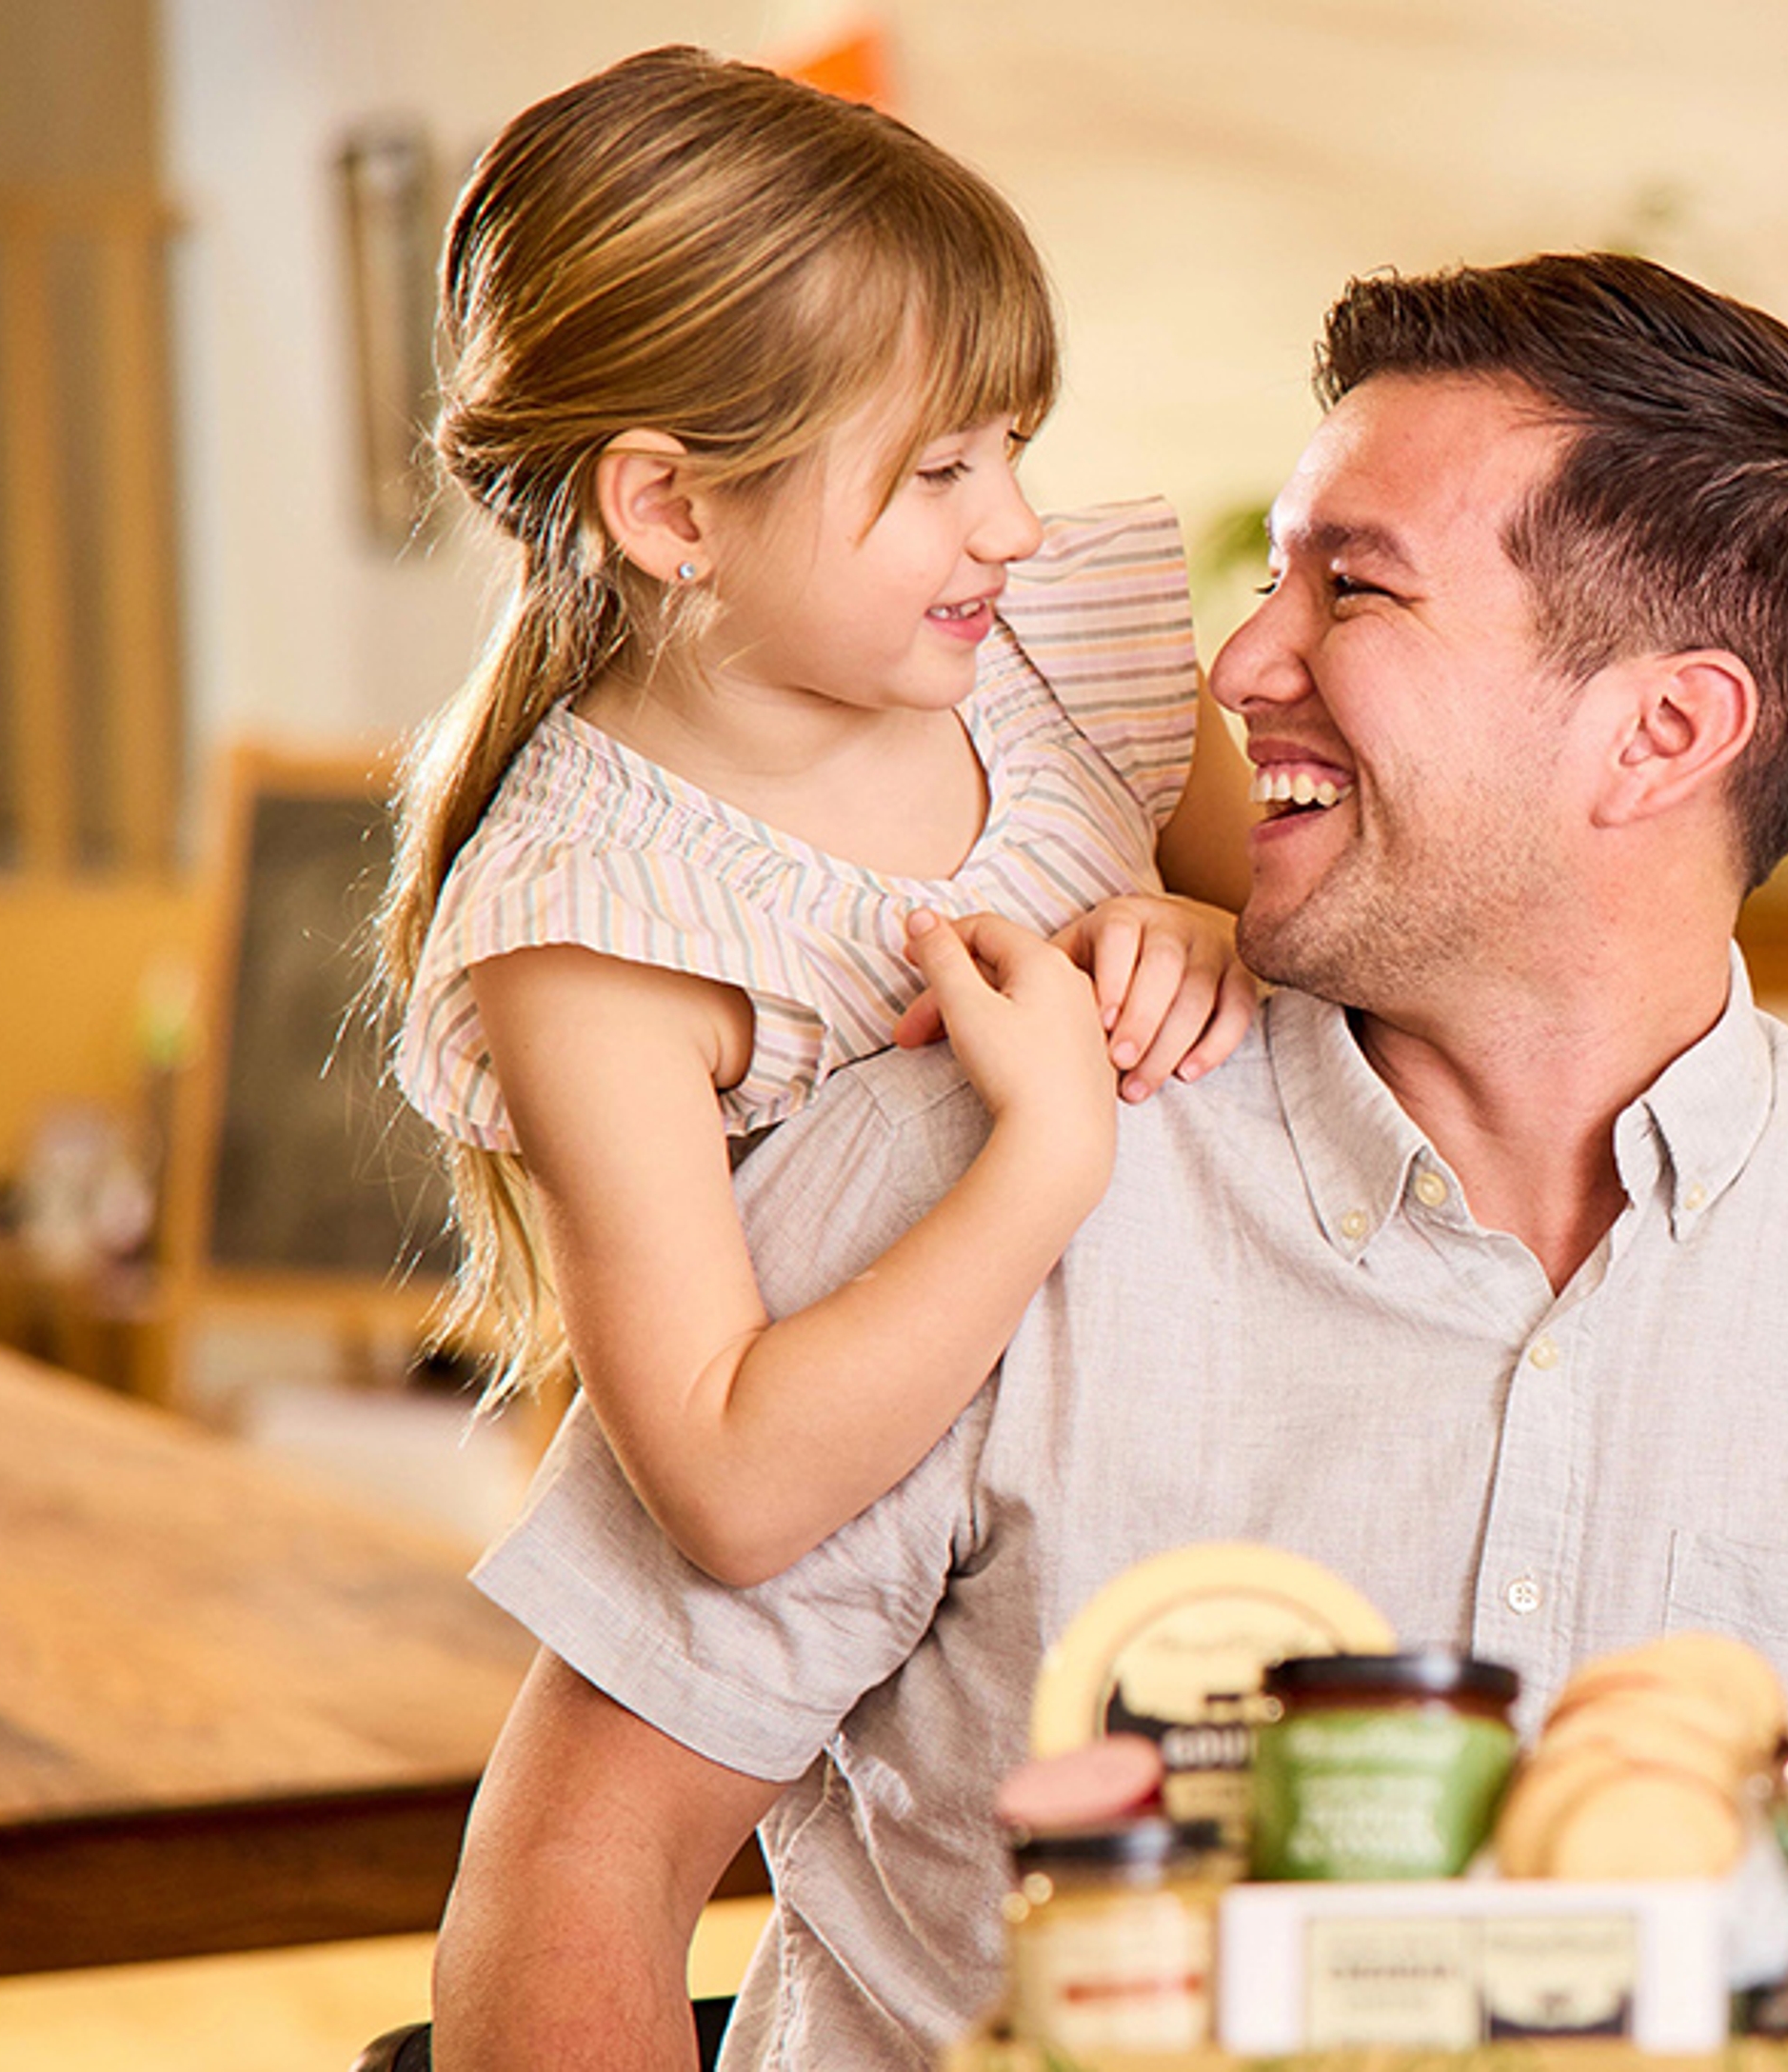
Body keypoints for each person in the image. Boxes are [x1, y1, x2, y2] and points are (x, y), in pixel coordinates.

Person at [427, 251, 1788, 2071]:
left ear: (1667, 731)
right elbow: (577, 1882)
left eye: (1352, 590)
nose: (1241, 661)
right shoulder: (961, 1149)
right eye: (1274, 575)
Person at [376, 49, 1261, 1590]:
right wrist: (1048, 1148)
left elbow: (1395, 1005)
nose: (1016, 523)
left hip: (1265, 1499)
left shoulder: (1068, 652)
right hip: (976, 1635)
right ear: (671, 511)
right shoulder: (593, 924)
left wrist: (1231, 942)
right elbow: (728, 1492)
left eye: (1012, 449)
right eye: (937, 470)